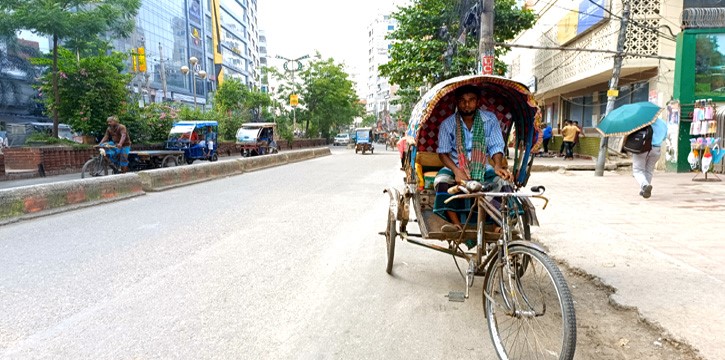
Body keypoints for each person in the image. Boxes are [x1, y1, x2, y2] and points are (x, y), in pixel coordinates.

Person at [434, 85, 513, 232]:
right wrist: (457, 171)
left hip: (483, 166)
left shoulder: (490, 120)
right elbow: (443, 153)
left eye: (471, 100)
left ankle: (499, 224)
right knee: (441, 181)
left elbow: (496, 146)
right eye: (462, 100)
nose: (467, 104)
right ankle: (456, 224)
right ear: (457, 102)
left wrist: (497, 166)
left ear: (478, 101)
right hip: (455, 165)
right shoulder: (448, 124)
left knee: (503, 181)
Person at [633, 119, 667, 198]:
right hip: (656, 149)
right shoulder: (663, 123)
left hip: (643, 148)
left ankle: (645, 185)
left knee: (637, 170)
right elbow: (664, 137)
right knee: (649, 170)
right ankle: (644, 190)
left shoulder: (642, 122)